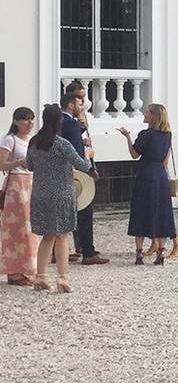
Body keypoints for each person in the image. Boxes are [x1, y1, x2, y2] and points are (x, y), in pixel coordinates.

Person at [27, 105, 93, 293]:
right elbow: (80, 164)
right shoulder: (62, 144)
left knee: (47, 236)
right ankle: (63, 278)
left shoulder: (34, 143)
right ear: (59, 122)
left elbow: (30, 166)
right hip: (62, 195)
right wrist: (89, 159)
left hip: (40, 195)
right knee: (62, 236)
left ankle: (41, 277)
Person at [118, 104, 178, 265]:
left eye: (147, 112)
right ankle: (160, 251)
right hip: (160, 175)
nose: (144, 114)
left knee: (141, 211)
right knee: (161, 213)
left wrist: (127, 137)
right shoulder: (167, 135)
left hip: (146, 174)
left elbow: (134, 154)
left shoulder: (146, 134)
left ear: (153, 116)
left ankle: (139, 253)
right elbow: (166, 160)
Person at [59, 92, 107, 265]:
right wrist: (89, 161)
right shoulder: (70, 123)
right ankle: (88, 251)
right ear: (71, 105)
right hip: (77, 173)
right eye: (79, 102)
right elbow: (76, 152)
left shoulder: (61, 122)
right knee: (85, 212)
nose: (82, 106)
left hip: (61, 173)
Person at [0, 107, 37, 286]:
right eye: (26, 120)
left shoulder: (31, 140)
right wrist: (18, 163)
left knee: (30, 228)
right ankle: (14, 271)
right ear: (16, 121)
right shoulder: (10, 139)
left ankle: (28, 267)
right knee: (16, 228)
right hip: (16, 183)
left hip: (30, 183)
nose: (30, 123)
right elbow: (1, 164)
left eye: (31, 120)